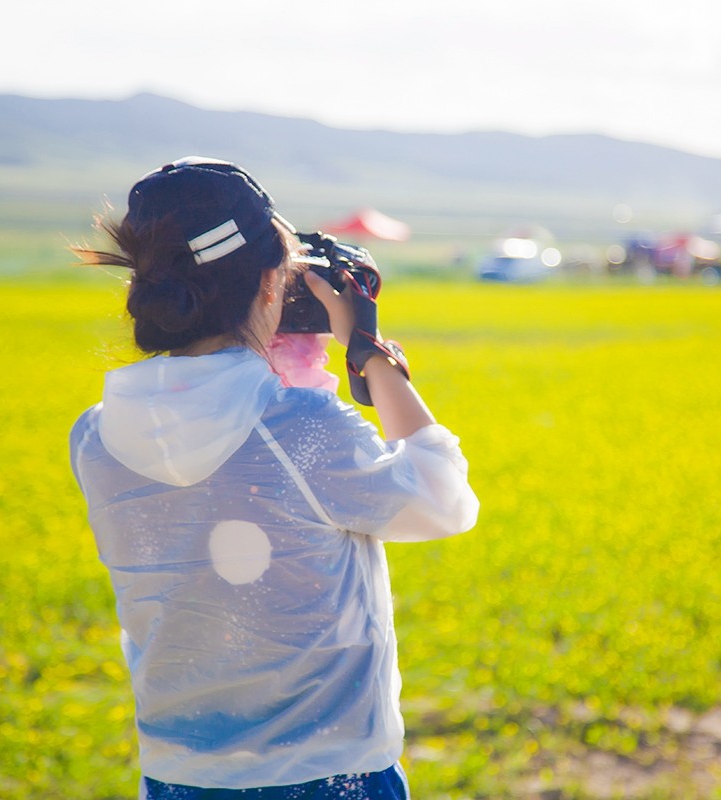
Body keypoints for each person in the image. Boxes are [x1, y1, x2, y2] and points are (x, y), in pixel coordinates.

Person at [69, 157, 479, 799]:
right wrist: (369, 354)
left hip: (177, 774)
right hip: (328, 773)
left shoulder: (94, 438)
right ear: (269, 286)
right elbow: (445, 501)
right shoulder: (300, 428)